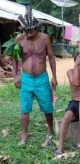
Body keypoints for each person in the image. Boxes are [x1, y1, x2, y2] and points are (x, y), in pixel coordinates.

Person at [13, 6, 57, 145]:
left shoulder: (45, 38)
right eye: (26, 32)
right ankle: (24, 134)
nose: (28, 35)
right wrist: (16, 75)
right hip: (25, 79)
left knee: (47, 107)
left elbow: (51, 57)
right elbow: (14, 58)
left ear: (37, 28)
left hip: (41, 78)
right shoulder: (19, 39)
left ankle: (50, 130)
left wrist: (54, 76)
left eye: (31, 32)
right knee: (24, 108)